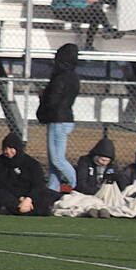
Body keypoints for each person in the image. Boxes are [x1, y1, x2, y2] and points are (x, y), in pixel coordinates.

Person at [35, 41, 81, 191]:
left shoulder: (60, 77)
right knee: (53, 159)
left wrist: (44, 98)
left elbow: (53, 99)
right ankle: (53, 188)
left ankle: (76, 185)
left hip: (58, 120)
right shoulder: (74, 76)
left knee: (57, 159)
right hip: (64, 119)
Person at [0, 131, 56, 216]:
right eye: (5, 148)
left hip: (30, 195)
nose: (7, 151)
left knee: (46, 195)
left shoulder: (32, 164)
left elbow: (38, 184)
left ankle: (22, 210)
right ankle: (27, 211)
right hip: (13, 195)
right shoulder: (0, 162)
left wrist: (29, 199)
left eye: (11, 148)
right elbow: (3, 183)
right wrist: (21, 198)